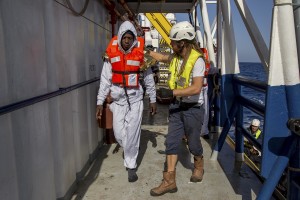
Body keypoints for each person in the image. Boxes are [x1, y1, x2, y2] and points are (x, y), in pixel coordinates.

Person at [146, 21, 206, 196]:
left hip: (193, 108)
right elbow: (163, 57)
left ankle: (198, 163)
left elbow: (196, 87)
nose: (170, 44)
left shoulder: (197, 60)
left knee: (193, 143)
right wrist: (147, 52)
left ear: (183, 43)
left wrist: (172, 91)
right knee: (171, 142)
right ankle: (169, 181)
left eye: (173, 42)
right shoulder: (175, 56)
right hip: (176, 107)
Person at [96, 21, 157, 183]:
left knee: (133, 134)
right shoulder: (110, 56)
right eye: (125, 38)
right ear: (120, 38)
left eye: (130, 38)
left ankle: (131, 165)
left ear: (134, 39)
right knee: (119, 134)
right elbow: (104, 81)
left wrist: (153, 99)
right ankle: (129, 147)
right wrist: (99, 102)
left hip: (135, 101)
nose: (127, 41)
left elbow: (149, 80)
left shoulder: (141, 56)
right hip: (118, 102)